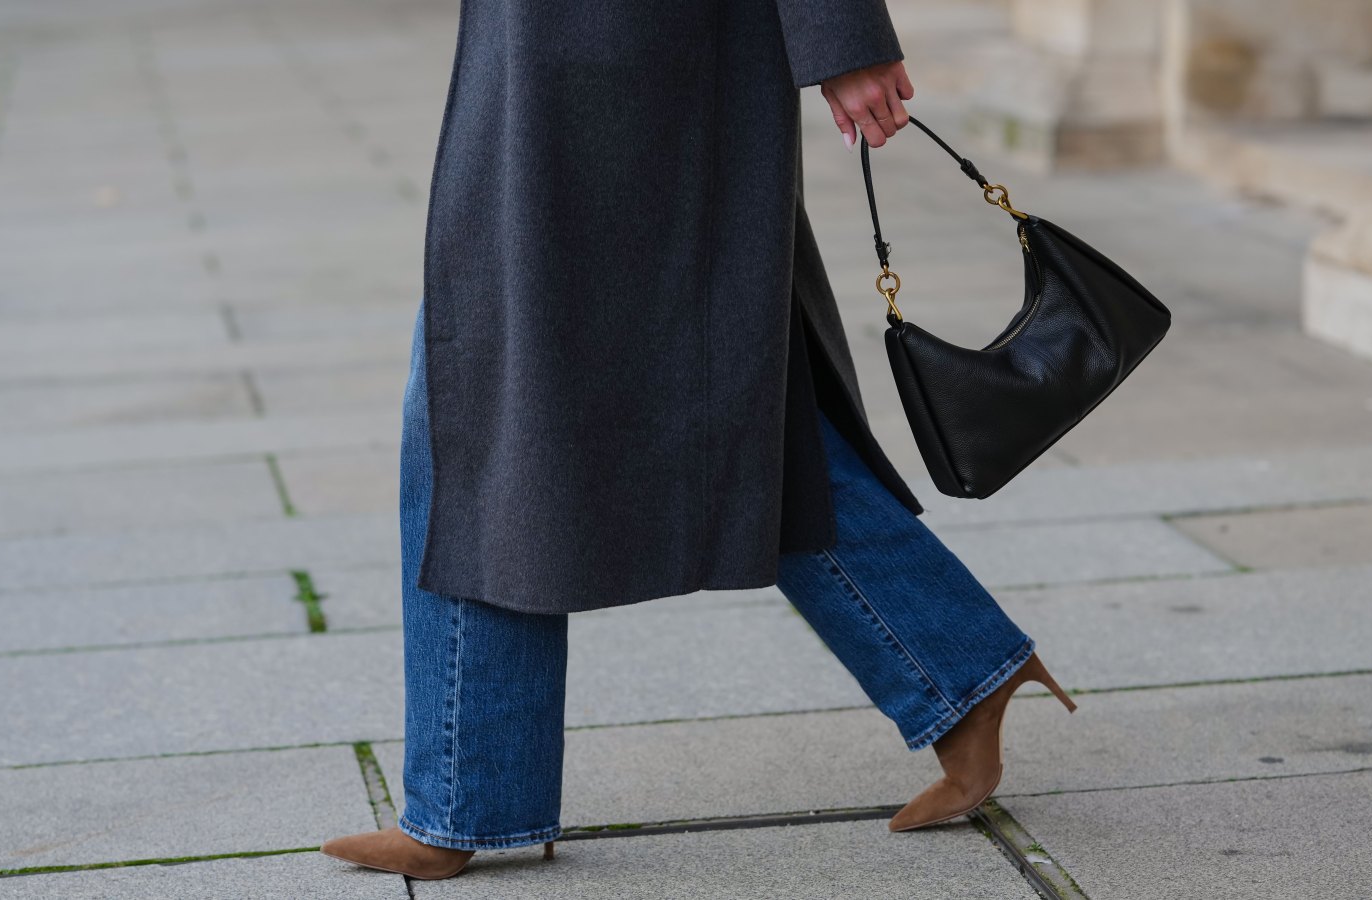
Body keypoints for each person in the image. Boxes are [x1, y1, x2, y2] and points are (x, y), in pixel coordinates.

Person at [320, 0, 1075, 880]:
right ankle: (960, 671)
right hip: (574, 58)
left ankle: (464, 799)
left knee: (492, 402)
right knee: (713, 404)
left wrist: (842, 35)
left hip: (626, 64)